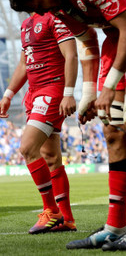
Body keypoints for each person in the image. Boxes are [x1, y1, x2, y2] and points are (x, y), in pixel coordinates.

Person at [9, 0, 126, 251]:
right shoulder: (57, 3)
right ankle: (115, 227)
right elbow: (87, 41)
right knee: (112, 133)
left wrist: (108, 87)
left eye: (38, 7)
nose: (42, 14)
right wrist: (88, 93)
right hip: (115, 38)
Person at [0, 12, 77, 234]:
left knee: (27, 148)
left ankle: (51, 211)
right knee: (51, 158)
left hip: (51, 90)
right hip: (33, 94)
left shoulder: (55, 18)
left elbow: (71, 55)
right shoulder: (26, 24)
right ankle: (66, 219)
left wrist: (69, 92)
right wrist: (8, 94)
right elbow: (25, 63)